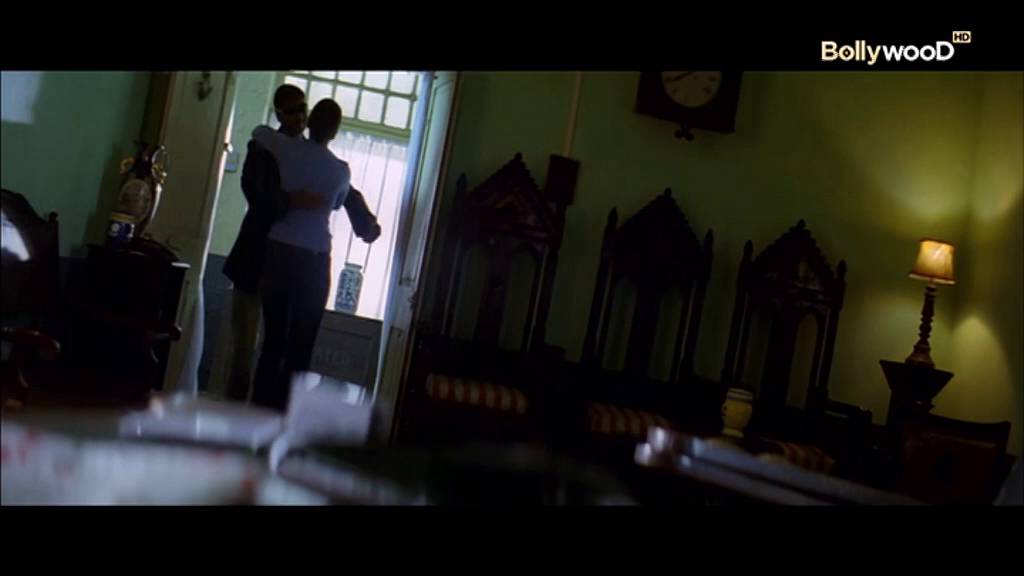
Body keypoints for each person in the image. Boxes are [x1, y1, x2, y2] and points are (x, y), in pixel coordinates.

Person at [221, 85, 380, 403]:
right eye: (293, 111)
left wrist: (365, 223)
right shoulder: (268, 148)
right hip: (256, 257)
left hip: (278, 256)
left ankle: (261, 413)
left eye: (303, 109)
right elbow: (257, 194)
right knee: (246, 351)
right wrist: (294, 200)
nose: (300, 117)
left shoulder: (292, 150)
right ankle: (240, 414)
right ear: (279, 113)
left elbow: (345, 190)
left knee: (274, 346)